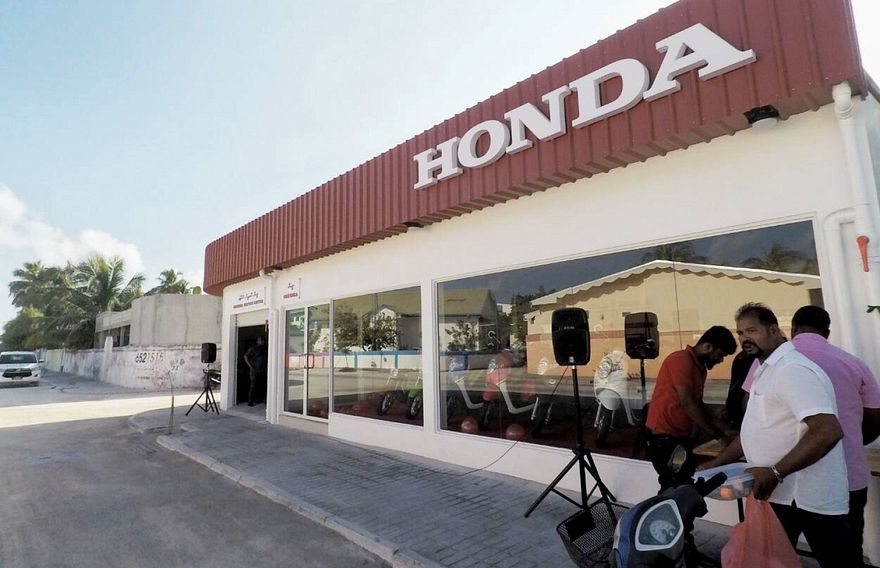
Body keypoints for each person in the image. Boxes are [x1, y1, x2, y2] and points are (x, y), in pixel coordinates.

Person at [699, 303, 860, 568]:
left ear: (774, 330)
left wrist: (775, 473)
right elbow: (755, 430)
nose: (745, 338)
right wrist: (715, 464)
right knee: (771, 560)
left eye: (752, 330)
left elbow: (828, 430)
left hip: (808, 496)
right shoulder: (765, 369)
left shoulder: (792, 369)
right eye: (740, 333)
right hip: (779, 494)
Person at [790, 305, 880, 562]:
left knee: (780, 551)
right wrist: (851, 441)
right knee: (847, 555)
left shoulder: (771, 363)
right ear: (827, 332)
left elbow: (748, 408)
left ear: (793, 329)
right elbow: (875, 417)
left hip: (787, 479)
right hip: (847, 475)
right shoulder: (854, 364)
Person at [645, 325, 738, 491]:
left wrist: (723, 428)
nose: (720, 361)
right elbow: (688, 403)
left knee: (682, 485)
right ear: (708, 346)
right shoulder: (681, 360)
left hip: (680, 436)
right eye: (720, 355)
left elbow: (698, 404)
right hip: (664, 437)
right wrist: (717, 434)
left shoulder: (699, 367)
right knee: (674, 487)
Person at [244, 336, 267, 407]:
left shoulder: (266, 349)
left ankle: (259, 399)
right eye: (260, 340)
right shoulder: (253, 348)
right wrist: (250, 366)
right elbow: (245, 356)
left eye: (263, 340)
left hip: (263, 369)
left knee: (261, 385)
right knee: (253, 385)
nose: (261, 342)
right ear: (257, 341)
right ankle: (250, 401)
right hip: (254, 370)